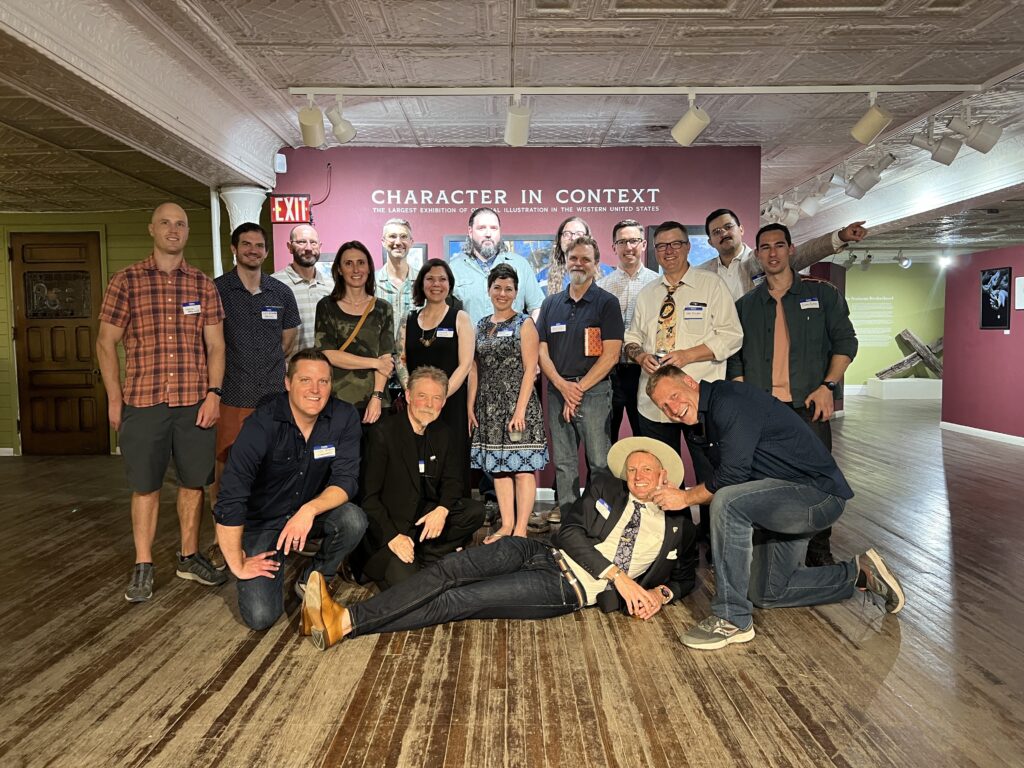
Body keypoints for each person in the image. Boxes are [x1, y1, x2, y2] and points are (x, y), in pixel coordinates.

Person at [300, 435, 698, 650]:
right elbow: (571, 533)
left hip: (564, 588)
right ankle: (344, 620)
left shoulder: (678, 522)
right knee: (450, 570)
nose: (638, 474)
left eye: (647, 469)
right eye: (633, 469)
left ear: (665, 474)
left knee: (461, 600)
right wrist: (619, 576)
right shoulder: (608, 488)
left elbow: (684, 576)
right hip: (540, 551)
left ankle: (347, 622)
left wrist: (662, 593)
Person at [647, 365, 905, 650]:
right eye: (664, 406)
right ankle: (861, 574)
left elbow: (731, 478)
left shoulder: (729, 400)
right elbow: (717, 479)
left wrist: (683, 498)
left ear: (689, 382)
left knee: (727, 501)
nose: (672, 408)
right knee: (768, 591)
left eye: (673, 396)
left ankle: (731, 618)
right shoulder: (701, 423)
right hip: (776, 501)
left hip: (816, 497)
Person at [96, 201, 228, 602]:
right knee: (145, 486)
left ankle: (188, 556)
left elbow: (217, 346)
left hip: (193, 402)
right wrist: (115, 399)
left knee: (194, 483)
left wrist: (214, 394)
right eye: (166, 224)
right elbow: (106, 343)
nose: (174, 230)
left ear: (187, 232)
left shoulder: (203, 285)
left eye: (181, 224)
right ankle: (143, 564)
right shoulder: (127, 280)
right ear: (151, 229)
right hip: (143, 401)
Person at [728, 223, 859, 566]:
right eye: (765, 247)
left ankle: (818, 551)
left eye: (779, 245)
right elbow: (734, 357)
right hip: (763, 412)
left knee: (819, 481)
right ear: (757, 254)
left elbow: (846, 343)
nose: (772, 253)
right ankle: (766, 552)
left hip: (808, 406)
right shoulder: (746, 306)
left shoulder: (823, 295)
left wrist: (828, 386)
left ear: (790, 249)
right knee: (762, 482)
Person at [213, 349, 367, 630]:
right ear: (287, 383)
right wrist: (236, 562)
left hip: (308, 514)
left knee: (353, 519)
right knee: (261, 617)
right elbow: (231, 496)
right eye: (305, 380)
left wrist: (308, 510)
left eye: (324, 382)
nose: (315, 390)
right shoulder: (262, 423)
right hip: (264, 521)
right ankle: (268, 562)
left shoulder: (343, 416)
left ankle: (313, 576)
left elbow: (347, 481)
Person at [621, 221, 742, 552]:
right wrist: (639, 354)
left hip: (697, 401)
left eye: (675, 244)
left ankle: (717, 542)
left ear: (688, 247)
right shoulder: (648, 294)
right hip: (655, 403)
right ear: (655, 252)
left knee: (709, 472)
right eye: (661, 246)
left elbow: (732, 335)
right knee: (664, 470)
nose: (669, 251)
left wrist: (689, 354)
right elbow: (631, 338)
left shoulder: (711, 286)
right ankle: (675, 538)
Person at [208, 222, 300, 569]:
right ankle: (223, 539)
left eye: (259, 245)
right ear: (234, 248)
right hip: (231, 395)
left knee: (274, 469)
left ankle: (268, 531)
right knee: (227, 471)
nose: (252, 250)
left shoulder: (280, 293)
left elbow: (287, 340)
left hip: (274, 398)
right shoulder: (217, 290)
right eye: (245, 244)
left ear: (266, 251)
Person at [356, 366, 485, 590]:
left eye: (436, 398)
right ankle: (423, 557)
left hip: (422, 520)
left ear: (444, 402)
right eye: (422, 396)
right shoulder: (383, 433)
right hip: (390, 529)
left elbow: (453, 481)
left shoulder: (442, 433)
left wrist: (442, 509)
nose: (429, 404)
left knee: (474, 511)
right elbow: (368, 498)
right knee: (413, 588)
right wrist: (393, 537)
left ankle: (430, 553)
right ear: (407, 396)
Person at [537, 235, 624, 520]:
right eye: (574, 258)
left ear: (596, 265)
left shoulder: (606, 303)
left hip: (595, 393)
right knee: (564, 462)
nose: (579, 264)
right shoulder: (551, 304)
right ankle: (570, 516)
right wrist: (563, 386)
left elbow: (611, 355)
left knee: (599, 461)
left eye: (586, 259)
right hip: (557, 391)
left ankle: (602, 517)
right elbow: (541, 351)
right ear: (565, 262)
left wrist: (578, 389)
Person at [467, 263, 548, 541]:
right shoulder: (481, 325)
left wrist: (520, 410)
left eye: (509, 289)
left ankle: (521, 529)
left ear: (516, 292)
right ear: (489, 289)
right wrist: (471, 405)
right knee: (499, 469)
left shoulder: (524, 323)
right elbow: (474, 368)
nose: (502, 293)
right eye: (497, 287)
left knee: (522, 468)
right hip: (488, 406)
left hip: (518, 404)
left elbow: (530, 369)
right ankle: (506, 525)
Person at [399, 258, 474, 495]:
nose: (436, 284)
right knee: (415, 457)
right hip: (416, 404)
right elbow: (400, 361)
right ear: (421, 284)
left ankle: (453, 512)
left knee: (451, 459)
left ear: (449, 285)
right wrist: (413, 395)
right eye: (430, 278)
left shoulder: (460, 318)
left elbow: (465, 364)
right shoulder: (408, 320)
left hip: (451, 403)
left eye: (442, 279)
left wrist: (440, 397)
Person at [699, 208, 869, 300]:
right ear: (710, 241)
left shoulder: (763, 259)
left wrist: (840, 236)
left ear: (741, 229)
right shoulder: (701, 273)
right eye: (716, 232)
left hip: (760, 344)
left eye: (729, 227)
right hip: (720, 350)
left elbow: (804, 253)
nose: (724, 234)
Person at [314, 240, 395, 424]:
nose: (356, 269)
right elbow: (328, 354)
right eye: (348, 263)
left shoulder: (383, 308)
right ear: (340, 270)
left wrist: (377, 397)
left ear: (369, 267)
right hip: (336, 400)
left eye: (361, 262)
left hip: (376, 402)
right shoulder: (327, 306)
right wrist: (374, 363)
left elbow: (385, 358)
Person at [598, 218, 659, 442]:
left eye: (633, 241)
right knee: (604, 440)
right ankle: (607, 480)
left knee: (645, 436)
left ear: (644, 245)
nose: (628, 247)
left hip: (644, 371)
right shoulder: (602, 287)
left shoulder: (658, 284)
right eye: (622, 242)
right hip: (609, 373)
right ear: (614, 247)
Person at [450, 207, 544, 324]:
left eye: (494, 228)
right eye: (481, 228)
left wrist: (529, 336)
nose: (488, 234)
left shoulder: (520, 265)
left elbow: (537, 308)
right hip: (470, 341)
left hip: (514, 341)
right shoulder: (454, 269)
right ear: (470, 231)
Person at [272, 224, 333, 356]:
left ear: (320, 247)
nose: (308, 248)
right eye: (301, 242)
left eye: (313, 243)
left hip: (324, 370)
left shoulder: (331, 285)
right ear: (289, 247)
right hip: (289, 372)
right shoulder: (274, 285)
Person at [540, 216, 613, 296]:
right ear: (559, 239)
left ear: (589, 239)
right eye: (567, 234)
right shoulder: (542, 278)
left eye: (579, 234)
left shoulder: (607, 273)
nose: (573, 238)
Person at [375, 218, 416, 340]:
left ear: (411, 242)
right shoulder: (370, 283)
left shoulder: (423, 283)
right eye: (392, 236)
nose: (398, 242)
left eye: (403, 236)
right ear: (383, 241)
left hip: (416, 356)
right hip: (378, 357)